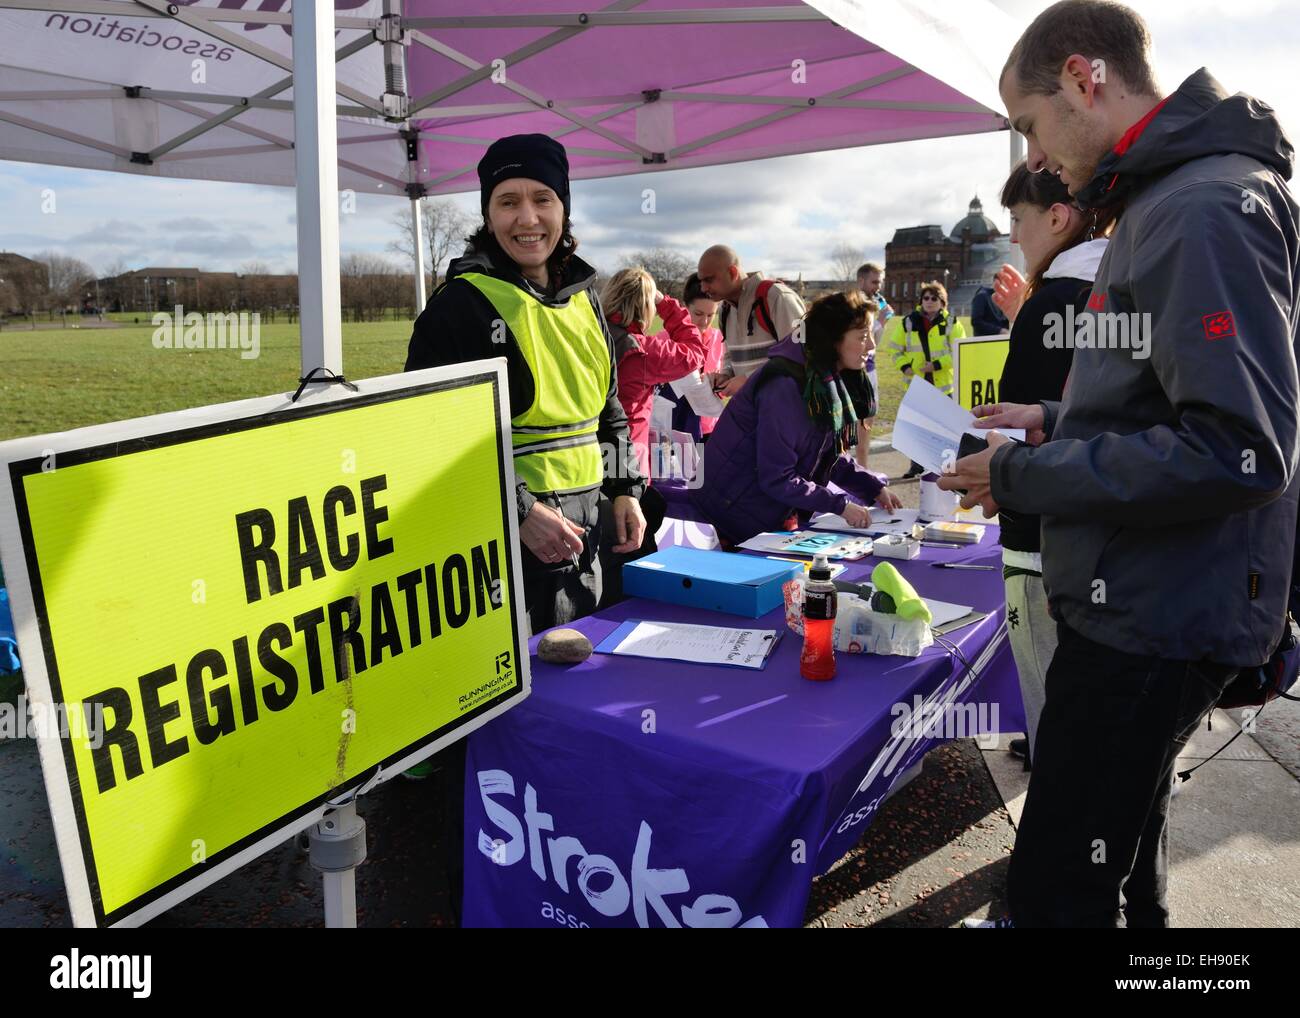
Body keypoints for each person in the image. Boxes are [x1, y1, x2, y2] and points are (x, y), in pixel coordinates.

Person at [942, 0, 1299, 928]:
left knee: (1059, 887)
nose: (1033, 158)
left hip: (1153, 615)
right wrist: (1056, 416)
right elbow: (1165, 396)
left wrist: (1019, 475)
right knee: (1122, 866)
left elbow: (1240, 446)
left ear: (1081, 78)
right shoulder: (1177, 197)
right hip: (1151, 600)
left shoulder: (1202, 205)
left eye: (1028, 123)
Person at [404, 133, 647, 636]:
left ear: (564, 208)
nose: (528, 218)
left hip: (590, 535)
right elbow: (427, 435)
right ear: (488, 214)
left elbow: (608, 412)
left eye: (542, 199)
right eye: (507, 201)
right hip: (504, 545)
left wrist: (626, 490)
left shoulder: (586, 298)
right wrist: (520, 511)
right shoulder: (459, 305)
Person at [994, 159, 1114, 772]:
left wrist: (987, 472)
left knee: (1048, 693)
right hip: (1110, 537)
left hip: (1040, 537)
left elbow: (1030, 418)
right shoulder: (1123, 289)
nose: (1015, 235)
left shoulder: (1054, 305)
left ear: (1059, 217)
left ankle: (1050, 852)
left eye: (1019, 219)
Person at [689, 291, 903, 546]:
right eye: (862, 337)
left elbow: (823, 454)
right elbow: (777, 477)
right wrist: (840, 505)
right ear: (833, 340)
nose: (871, 346)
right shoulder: (786, 387)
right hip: (731, 517)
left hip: (758, 511)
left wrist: (872, 487)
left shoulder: (819, 378)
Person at [600, 267, 705, 482]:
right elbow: (695, 352)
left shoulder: (590, 335)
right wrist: (666, 305)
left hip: (586, 449)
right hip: (628, 456)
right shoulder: (643, 351)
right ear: (647, 307)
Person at [882, 280, 967, 478]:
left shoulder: (952, 323)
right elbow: (894, 348)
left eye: (934, 298)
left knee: (944, 429)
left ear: (942, 302)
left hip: (943, 386)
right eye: (925, 298)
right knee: (917, 428)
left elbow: (958, 350)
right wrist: (904, 366)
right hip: (917, 385)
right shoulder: (908, 322)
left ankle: (945, 467)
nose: (929, 301)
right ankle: (916, 465)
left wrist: (936, 365)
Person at [696, 245, 806, 397]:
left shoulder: (778, 297)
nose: (703, 288)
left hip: (788, 409)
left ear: (732, 272)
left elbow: (801, 355)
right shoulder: (724, 310)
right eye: (701, 281)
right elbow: (731, 357)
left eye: (709, 280)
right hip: (752, 411)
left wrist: (748, 379)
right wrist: (726, 374)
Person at [664, 273, 727, 441]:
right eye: (698, 314)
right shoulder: (664, 339)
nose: (704, 322)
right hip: (672, 428)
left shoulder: (720, 340)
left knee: (704, 468)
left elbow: (725, 381)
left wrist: (719, 383)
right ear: (685, 308)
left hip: (709, 428)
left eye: (710, 315)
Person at [854, 262, 892, 467]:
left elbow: (873, 343)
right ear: (861, 281)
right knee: (860, 423)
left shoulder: (873, 303)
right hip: (856, 372)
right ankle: (859, 469)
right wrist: (879, 323)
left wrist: (882, 323)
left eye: (880, 282)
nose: (878, 286)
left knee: (868, 421)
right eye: (874, 281)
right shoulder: (854, 304)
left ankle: (862, 468)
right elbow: (859, 337)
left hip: (870, 368)